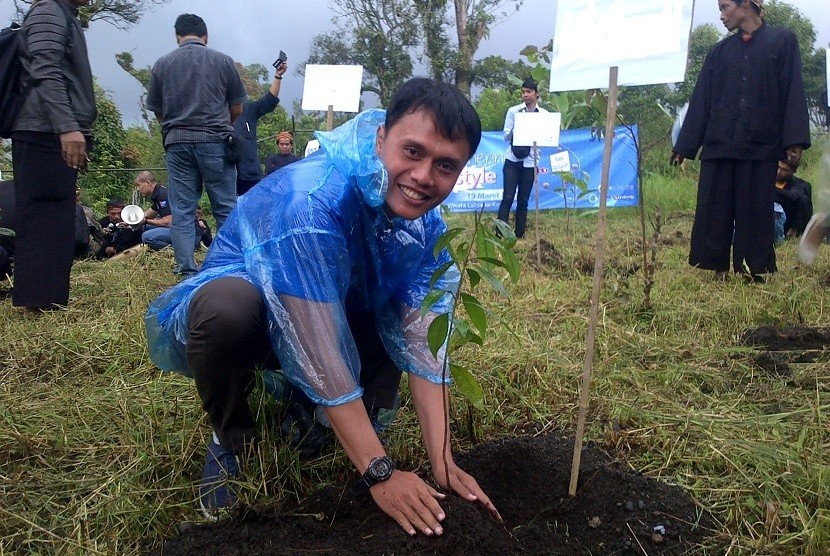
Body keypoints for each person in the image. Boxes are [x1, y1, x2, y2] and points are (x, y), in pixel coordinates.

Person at [145, 78, 501, 534]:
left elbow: (423, 347)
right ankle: (233, 438)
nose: (424, 177)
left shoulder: (424, 227)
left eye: (445, 166)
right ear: (381, 138)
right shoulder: (312, 204)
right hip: (261, 318)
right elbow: (314, 347)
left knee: (390, 299)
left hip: (327, 316)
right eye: (412, 152)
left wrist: (443, 459)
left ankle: (316, 418)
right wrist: (380, 473)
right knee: (224, 308)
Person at [670, 0, 810, 282]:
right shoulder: (719, 53)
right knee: (714, 207)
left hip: (760, 147)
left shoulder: (783, 42)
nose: (721, 15)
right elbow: (702, 101)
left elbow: (793, 91)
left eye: (725, 7)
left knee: (756, 211)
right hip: (719, 145)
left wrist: (794, 141)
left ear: (746, 4)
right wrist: (685, 145)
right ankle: (717, 266)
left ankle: (752, 269)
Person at [9, 0, 96, 311]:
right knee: (43, 219)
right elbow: (45, 69)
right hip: (43, 130)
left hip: (51, 129)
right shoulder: (48, 11)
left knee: (58, 219)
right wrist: (67, 127)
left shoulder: (64, 14)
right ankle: (38, 302)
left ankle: (48, 299)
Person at [146, 13, 247, 276]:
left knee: (182, 211)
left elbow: (158, 112)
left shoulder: (162, 64)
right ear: (205, 36)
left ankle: (186, 270)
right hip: (215, 141)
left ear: (178, 37)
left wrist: (174, 127)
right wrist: (221, 123)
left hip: (177, 143)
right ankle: (229, 266)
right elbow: (237, 108)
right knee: (225, 207)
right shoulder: (223, 61)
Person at [496, 78, 548, 239]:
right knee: (508, 197)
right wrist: (518, 129)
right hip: (512, 159)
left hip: (531, 161)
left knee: (523, 199)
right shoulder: (514, 111)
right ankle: (499, 232)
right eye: (523, 92)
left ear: (536, 94)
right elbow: (505, 135)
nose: (525, 95)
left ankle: (519, 233)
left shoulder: (544, 115)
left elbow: (547, 137)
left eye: (528, 92)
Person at [234, 62, 289, 195]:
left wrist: (278, 76)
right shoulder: (215, 112)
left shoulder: (248, 109)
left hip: (250, 175)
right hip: (226, 177)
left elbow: (269, 101)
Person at [772, 160, 812, 239]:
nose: (779, 171)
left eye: (784, 170)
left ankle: (794, 232)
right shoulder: (769, 180)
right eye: (778, 167)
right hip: (771, 218)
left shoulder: (799, 184)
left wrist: (771, 189)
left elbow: (794, 195)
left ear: (793, 171)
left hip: (789, 219)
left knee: (803, 200)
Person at [135, 171, 174, 251]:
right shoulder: (159, 193)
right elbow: (146, 214)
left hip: (185, 233)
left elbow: (167, 222)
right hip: (178, 229)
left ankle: (176, 251)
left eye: (139, 185)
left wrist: (146, 221)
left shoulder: (162, 195)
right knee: (140, 228)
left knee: (146, 237)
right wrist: (130, 222)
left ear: (147, 183)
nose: (138, 189)